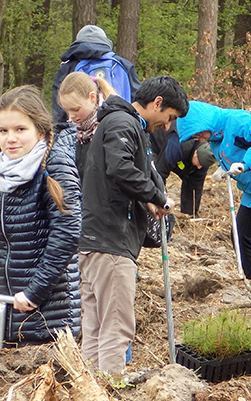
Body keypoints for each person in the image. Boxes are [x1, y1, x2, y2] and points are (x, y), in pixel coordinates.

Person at [77, 76, 186, 380]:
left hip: (95, 239)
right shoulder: (124, 124)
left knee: (96, 326)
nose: (167, 126)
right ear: (158, 104)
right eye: (169, 118)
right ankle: (110, 392)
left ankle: (90, 392)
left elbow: (117, 176)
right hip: (111, 241)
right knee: (116, 323)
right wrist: (156, 196)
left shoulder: (117, 122)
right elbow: (120, 168)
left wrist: (146, 201)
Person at [0, 85, 81, 348]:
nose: (11, 139)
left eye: (20, 130)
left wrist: (34, 293)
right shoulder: (0, 168)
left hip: (48, 317)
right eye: (3, 131)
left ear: (40, 130)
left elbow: (66, 238)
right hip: (4, 312)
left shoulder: (55, 167)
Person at [177, 101, 251, 285]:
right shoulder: (214, 139)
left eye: (198, 133)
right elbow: (230, 153)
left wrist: (246, 163)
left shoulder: (236, 120)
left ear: (206, 123)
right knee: (239, 236)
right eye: (195, 136)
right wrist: (224, 169)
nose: (199, 139)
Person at [51, 25, 141, 126]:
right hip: (122, 125)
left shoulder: (68, 66)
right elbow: (139, 100)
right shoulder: (124, 64)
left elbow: (58, 109)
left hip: (79, 133)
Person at [151, 124, 217, 218]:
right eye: (199, 163)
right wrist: (160, 200)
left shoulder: (204, 160)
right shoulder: (176, 146)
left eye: (202, 165)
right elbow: (160, 173)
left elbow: (196, 184)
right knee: (153, 172)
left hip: (183, 157)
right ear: (195, 153)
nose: (199, 167)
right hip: (156, 142)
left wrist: (190, 214)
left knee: (195, 175)